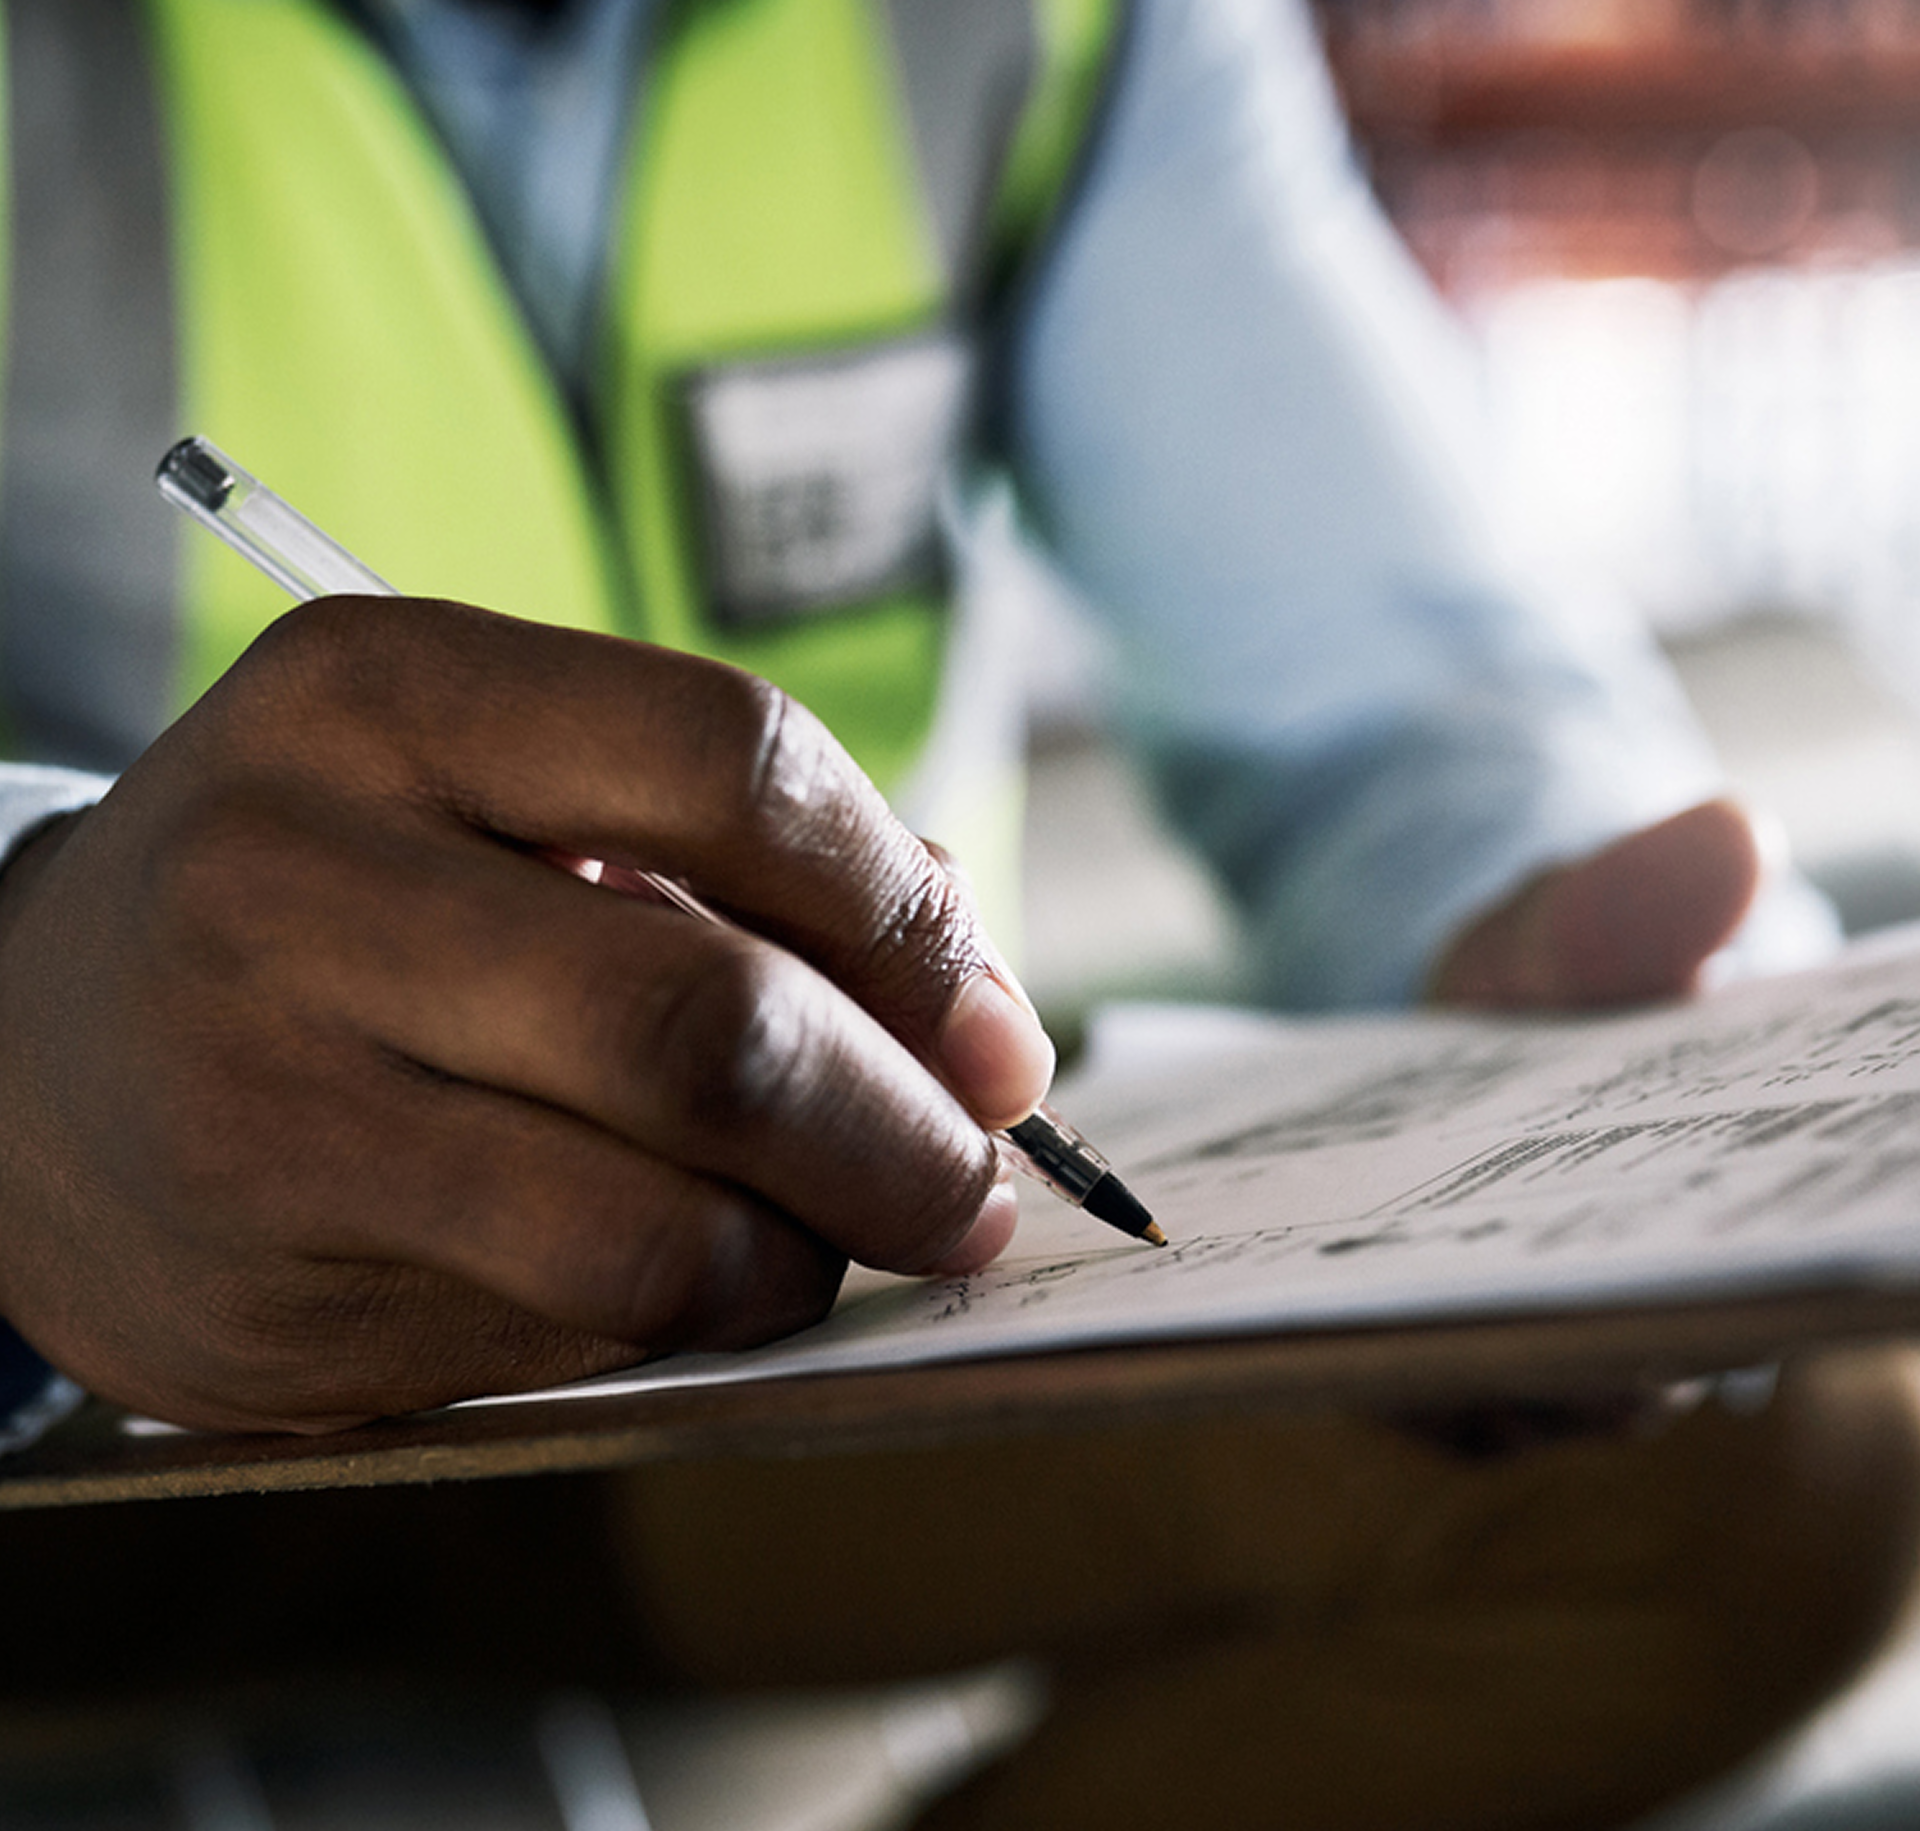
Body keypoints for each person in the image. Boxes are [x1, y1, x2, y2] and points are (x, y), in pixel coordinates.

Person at [0, 1, 1914, 1825]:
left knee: (1771, 1464)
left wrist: (1551, 925)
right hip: (102, 1378)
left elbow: (1395, 694)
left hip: (773, 1329)